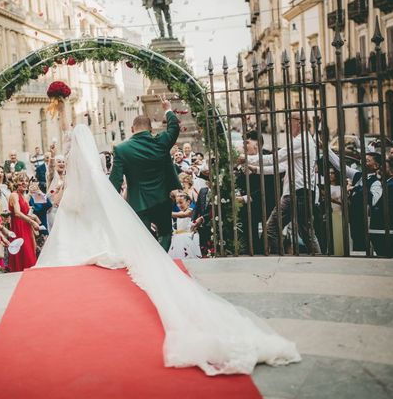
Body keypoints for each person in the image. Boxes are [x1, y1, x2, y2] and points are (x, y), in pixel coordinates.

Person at [37, 123, 300, 375]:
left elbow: (73, 201)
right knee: (162, 233)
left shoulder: (104, 161)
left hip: (87, 233)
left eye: (71, 144)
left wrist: (58, 198)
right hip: (132, 214)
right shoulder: (100, 171)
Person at [109, 96, 181, 252]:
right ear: (151, 130)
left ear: (132, 129)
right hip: (162, 199)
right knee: (166, 234)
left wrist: (110, 203)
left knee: (143, 239)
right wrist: (167, 109)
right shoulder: (161, 142)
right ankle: (161, 260)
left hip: (138, 202)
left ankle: (150, 263)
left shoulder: (121, 149)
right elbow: (174, 128)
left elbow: (115, 181)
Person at [241, 114, 320, 255]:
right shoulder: (303, 141)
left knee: (272, 228)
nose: (286, 124)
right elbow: (281, 167)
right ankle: (316, 257)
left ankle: (280, 260)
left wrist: (247, 159)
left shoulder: (300, 141)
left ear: (300, 123)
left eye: (289, 121)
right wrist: (257, 169)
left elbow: (275, 158)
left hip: (297, 193)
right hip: (301, 192)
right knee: (306, 232)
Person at [8, 172, 40, 272]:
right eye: (21, 180)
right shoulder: (14, 195)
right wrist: (32, 222)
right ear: (16, 182)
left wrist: (34, 219)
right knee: (24, 255)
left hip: (26, 228)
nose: (24, 183)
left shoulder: (25, 196)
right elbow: (17, 212)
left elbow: (26, 213)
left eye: (26, 181)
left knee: (31, 253)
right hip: (19, 228)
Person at [169, 192, 201, 259]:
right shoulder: (180, 212)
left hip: (187, 237)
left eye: (181, 202)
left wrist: (166, 212)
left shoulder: (191, 210)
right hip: (178, 238)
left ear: (188, 202)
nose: (179, 205)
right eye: (177, 203)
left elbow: (183, 215)